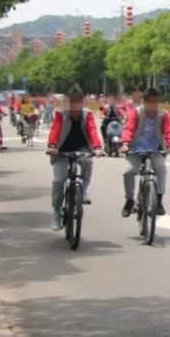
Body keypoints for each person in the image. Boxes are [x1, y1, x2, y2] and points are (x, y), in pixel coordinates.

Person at [47, 87, 104, 230]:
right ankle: (56, 211)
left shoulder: (87, 114)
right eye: (71, 103)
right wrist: (52, 146)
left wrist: (97, 147)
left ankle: (83, 190)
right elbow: (55, 130)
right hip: (61, 150)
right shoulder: (61, 114)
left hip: (81, 149)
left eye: (77, 103)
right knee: (59, 180)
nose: (74, 107)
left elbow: (92, 130)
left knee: (88, 162)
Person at [120, 88, 170, 217]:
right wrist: (125, 144)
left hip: (156, 149)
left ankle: (159, 200)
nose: (154, 106)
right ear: (144, 102)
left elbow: (168, 131)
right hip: (135, 149)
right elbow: (128, 129)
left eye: (156, 103)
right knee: (128, 172)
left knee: (161, 169)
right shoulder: (135, 113)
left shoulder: (163, 114)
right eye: (151, 103)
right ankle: (129, 200)